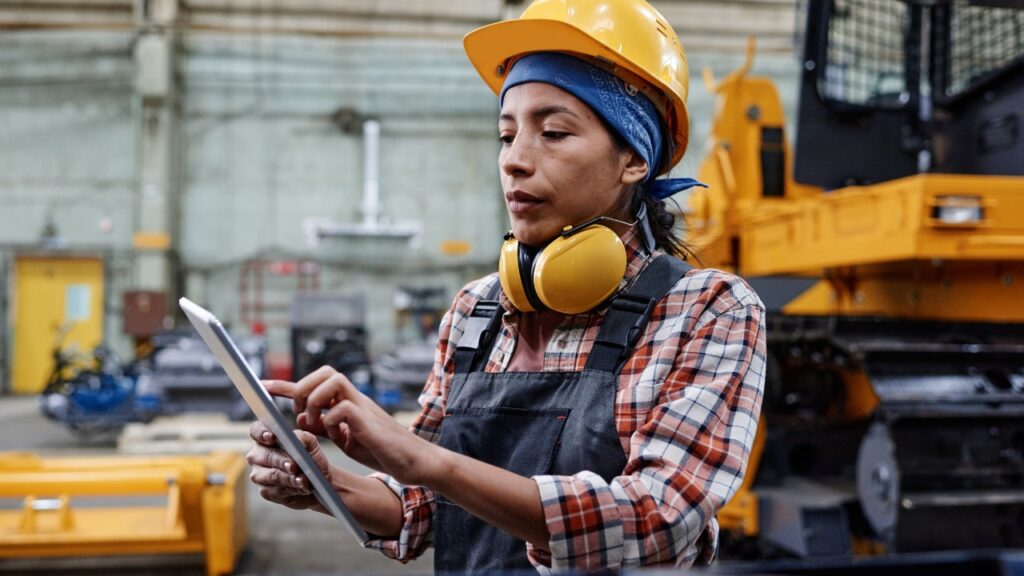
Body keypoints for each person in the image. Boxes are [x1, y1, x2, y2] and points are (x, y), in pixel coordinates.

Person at [246, 0, 766, 572]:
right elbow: (427, 508)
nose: (515, 161)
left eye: (555, 132)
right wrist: (327, 486)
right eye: (506, 134)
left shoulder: (706, 310)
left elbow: (658, 517)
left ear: (634, 159)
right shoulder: (477, 309)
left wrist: (425, 460)